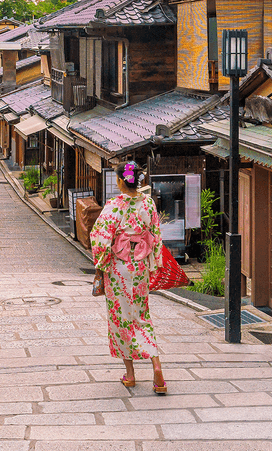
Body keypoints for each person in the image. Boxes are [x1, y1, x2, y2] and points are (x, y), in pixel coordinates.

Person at [90, 161, 167, 394]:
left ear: (121, 181)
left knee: (121, 319)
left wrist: (100, 266)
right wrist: (154, 264)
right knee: (142, 316)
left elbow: (99, 237)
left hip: (119, 269)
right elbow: (155, 235)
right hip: (140, 267)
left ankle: (131, 375)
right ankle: (157, 371)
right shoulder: (148, 203)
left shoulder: (114, 205)